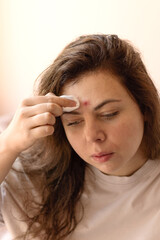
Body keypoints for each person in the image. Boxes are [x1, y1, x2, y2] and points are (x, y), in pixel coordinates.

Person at [0, 34, 160, 240]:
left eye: (108, 114)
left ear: (144, 108)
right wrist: (6, 146)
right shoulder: (31, 177)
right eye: (74, 122)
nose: (92, 136)